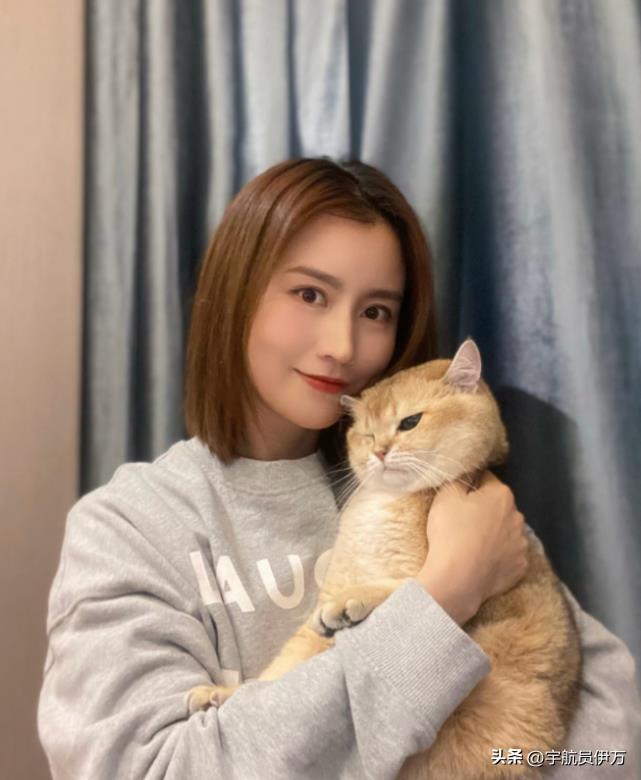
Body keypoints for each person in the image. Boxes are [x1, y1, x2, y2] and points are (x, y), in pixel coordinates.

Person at [37, 158, 641, 779]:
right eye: (310, 294)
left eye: (376, 311)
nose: (343, 346)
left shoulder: (436, 476)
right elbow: (152, 769)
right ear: (236, 292)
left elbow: (612, 738)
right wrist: (446, 596)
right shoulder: (129, 527)